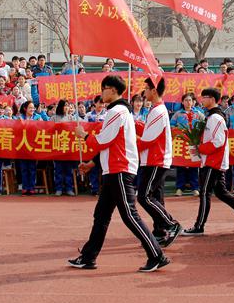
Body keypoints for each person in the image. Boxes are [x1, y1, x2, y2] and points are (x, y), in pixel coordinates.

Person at [69, 75, 170, 272]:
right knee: (102, 215)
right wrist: (92, 163)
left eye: (104, 88)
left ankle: (157, 255)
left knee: (129, 215)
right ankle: (88, 256)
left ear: (114, 90)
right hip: (114, 169)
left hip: (120, 170)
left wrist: (85, 136)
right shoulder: (118, 111)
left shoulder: (117, 111)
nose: (102, 92)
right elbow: (111, 143)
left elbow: (103, 141)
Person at [182, 87, 234, 237]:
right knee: (221, 193)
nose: (201, 100)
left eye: (204, 97)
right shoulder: (211, 117)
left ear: (212, 99)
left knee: (204, 193)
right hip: (212, 160)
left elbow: (218, 141)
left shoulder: (216, 118)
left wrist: (200, 149)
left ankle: (199, 226)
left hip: (213, 161)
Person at [135, 77, 181, 246]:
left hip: (155, 159)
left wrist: (130, 136)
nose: (144, 92)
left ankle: (171, 224)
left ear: (154, 91)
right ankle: (162, 230)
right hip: (153, 159)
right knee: (152, 196)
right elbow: (148, 133)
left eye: (146, 89)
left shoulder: (158, 111)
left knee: (144, 196)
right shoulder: (155, 110)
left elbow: (147, 140)